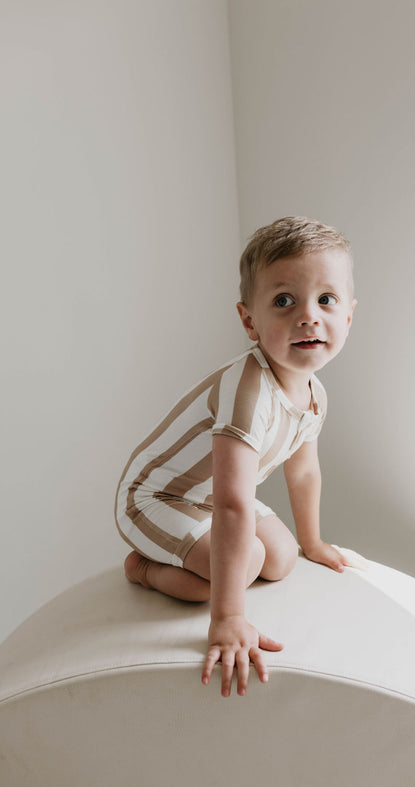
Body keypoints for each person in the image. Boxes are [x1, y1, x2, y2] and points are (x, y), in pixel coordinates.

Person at [114, 216, 368, 698]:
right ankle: (143, 569)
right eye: (284, 301)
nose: (308, 316)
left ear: (349, 316)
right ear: (249, 320)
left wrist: (312, 542)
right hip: (157, 498)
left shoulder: (314, 393)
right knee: (245, 559)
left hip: (210, 498)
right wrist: (229, 617)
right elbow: (234, 504)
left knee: (283, 559)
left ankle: (275, 552)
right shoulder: (248, 391)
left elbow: (304, 469)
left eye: (326, 300)